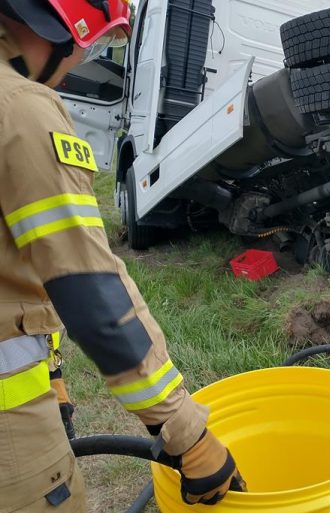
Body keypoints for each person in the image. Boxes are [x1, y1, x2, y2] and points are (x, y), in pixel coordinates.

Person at [0, 1, 245, 511]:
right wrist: (187, 435)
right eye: (90, 44)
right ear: (58, 27)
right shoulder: (20, 107)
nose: (80, 61)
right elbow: (91, 289)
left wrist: (49, 370)